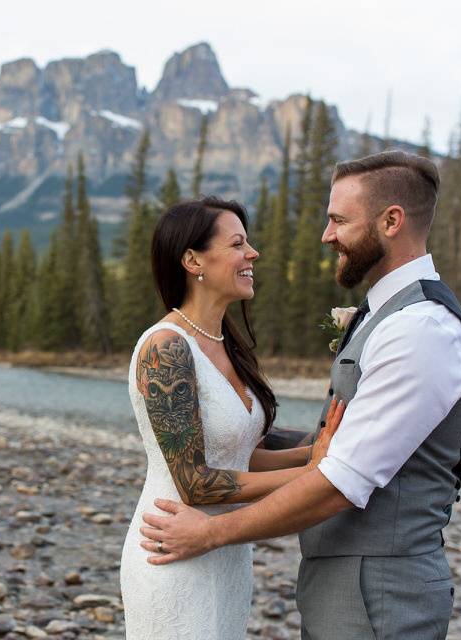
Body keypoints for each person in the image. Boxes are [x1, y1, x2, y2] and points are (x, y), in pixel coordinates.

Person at [140, 151, 461, 640]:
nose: (326, 235)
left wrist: (211, 533)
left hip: (379, 590)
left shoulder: (420, 327)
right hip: (344, 583)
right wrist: (308, 453)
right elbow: (331, 444)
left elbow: (343, 480)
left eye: (338, 220)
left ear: (391, 221)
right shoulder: (387, 315)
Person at [119, 196, 346, 639]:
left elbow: (241, 453)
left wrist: (324, 446)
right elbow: (196, 481)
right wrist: (317, 473)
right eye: (238, 244)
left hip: (224, 551)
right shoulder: (166, 347)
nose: (253, 253)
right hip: (171, 549)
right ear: (192, 260)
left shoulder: (228, 344)